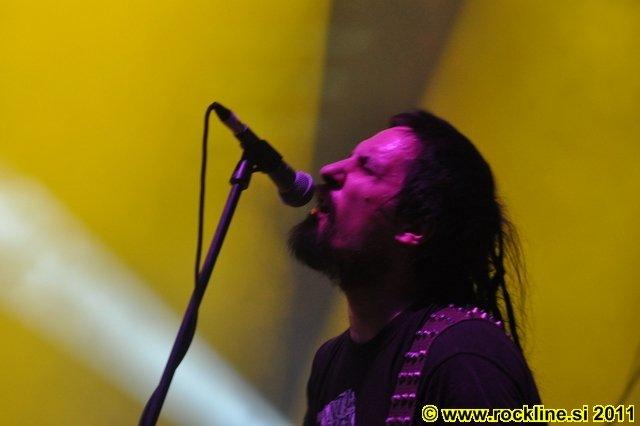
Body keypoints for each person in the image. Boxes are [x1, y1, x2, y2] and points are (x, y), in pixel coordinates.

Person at [289, 110, 543, 425]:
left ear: (415, 225)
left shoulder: (465, 357)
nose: (330, 170)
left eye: (367, 167)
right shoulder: (330, 361)